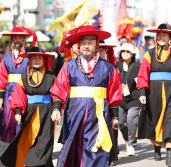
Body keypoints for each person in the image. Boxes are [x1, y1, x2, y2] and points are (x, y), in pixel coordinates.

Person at [50, 25, 123, 167]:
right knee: (75, 150)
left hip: (99, 116)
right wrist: (56, 109)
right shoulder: (68, 66)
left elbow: (114, 93)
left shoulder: (109, 68)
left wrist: (115, 117)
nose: (86, 46)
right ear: (78, 46)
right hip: (74, 115)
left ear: (97, 44)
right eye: (82, 42)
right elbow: (59, 89)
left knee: (97, 150)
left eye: (90, 42)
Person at [136, 22, 171, 167]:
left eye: (164, 35)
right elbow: (143, 74)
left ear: (169, 37)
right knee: (155, 120)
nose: (161, 37)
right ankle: (157, 148)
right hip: (153, 91)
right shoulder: (149, 53)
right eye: (159, 35)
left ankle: (169, 156)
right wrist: (142, 93)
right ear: (156, 36)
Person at [0, 44, 56, 167]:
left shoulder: (52, 76)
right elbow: (19, 95)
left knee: (45, 140)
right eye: (34, 58)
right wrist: (18, 112)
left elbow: (57, 94)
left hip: (47, 112)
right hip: (29, 112)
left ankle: (42, 164)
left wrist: (56, 110)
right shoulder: (23, 77)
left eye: (39, 58)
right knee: (28, 140)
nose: (37, 60)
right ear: (29, 60)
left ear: (44, 60)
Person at [0, 24, 34, 143]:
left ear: (24, 39)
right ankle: (12, 147)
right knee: (9, 119)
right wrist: (0, 97)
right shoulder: (7, 57)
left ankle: (25, 144)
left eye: (20, 37)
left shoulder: (30, 55)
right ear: (12, 39)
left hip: (25, 90)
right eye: (15, 37)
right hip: (10, 91)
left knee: (25, 118)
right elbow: (2, 76)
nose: (18, 40)